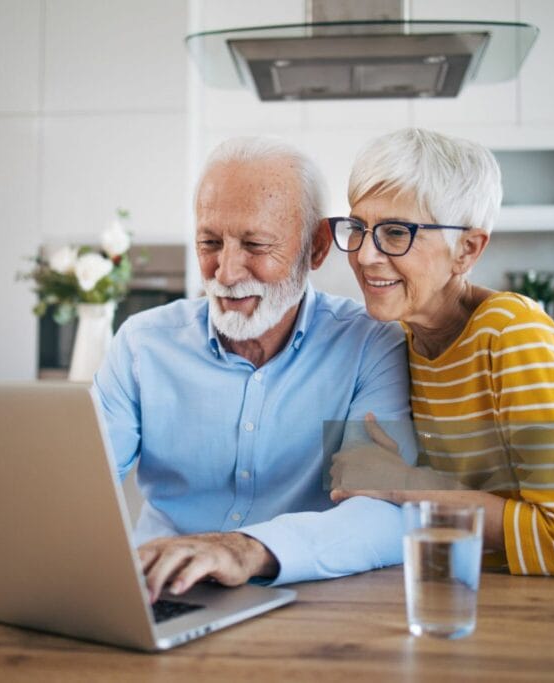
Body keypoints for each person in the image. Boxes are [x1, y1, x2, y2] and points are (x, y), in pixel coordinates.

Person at [94, 136, 412, 602]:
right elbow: (74, 483)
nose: (224, 272)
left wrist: (249, 550)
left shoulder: (370, 345)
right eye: (210, 242)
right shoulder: (142, 344)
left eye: (255, 244)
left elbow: (384, 513)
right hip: (156, 594)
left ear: (317, 247)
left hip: (307, 602)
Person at [328, 128, 554, 575]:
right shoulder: (399, 339)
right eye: (360, 228)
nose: (365, 255)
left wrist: (402, 483)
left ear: (466, 250)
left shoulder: (513, 335)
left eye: (396, 232)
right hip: (464, 594)